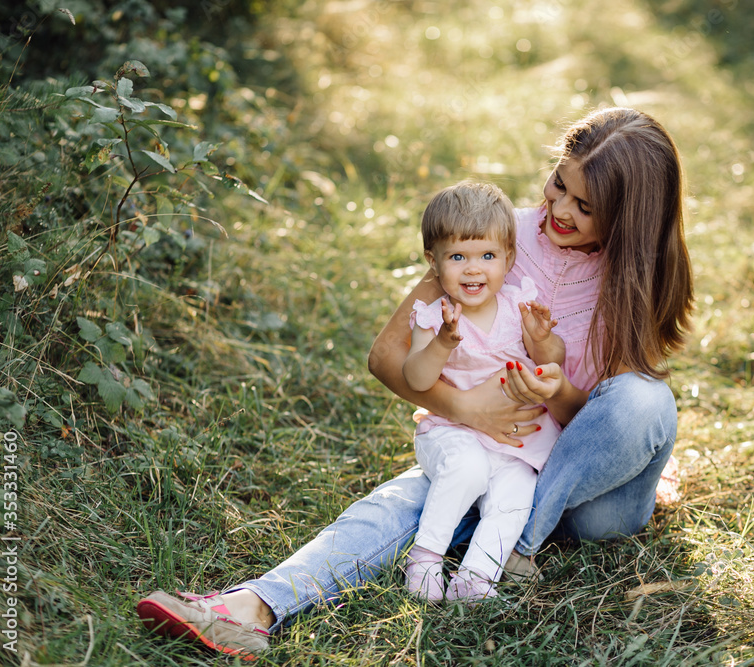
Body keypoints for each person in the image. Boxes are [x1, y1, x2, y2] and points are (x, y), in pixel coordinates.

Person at [136, 106, 694, 661]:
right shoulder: (497, 236)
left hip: (589, 501)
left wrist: (558, 390)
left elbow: (601, 424)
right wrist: (467, 409)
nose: (559, 208)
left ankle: (520, 542)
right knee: (405, 501)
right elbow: (387, 355)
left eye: (584, 206)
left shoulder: (633, 283)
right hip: (491, 452)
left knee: (644, 399)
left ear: (626, 219)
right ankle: (251, 608)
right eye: (558, 184)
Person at [401, 181, 564, 603]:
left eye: (487, 256)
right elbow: (416, 378)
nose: (474, 269)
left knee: (515, 495)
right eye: (458, 257)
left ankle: (476, 577)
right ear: (433, 262)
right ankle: (425, 558)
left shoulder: (517, 306)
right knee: (469, 467)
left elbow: (551, 359)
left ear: (508, 258)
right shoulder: (434, 316)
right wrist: (441, 344)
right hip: (452, 432)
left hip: (510, 443)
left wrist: (543, 340)